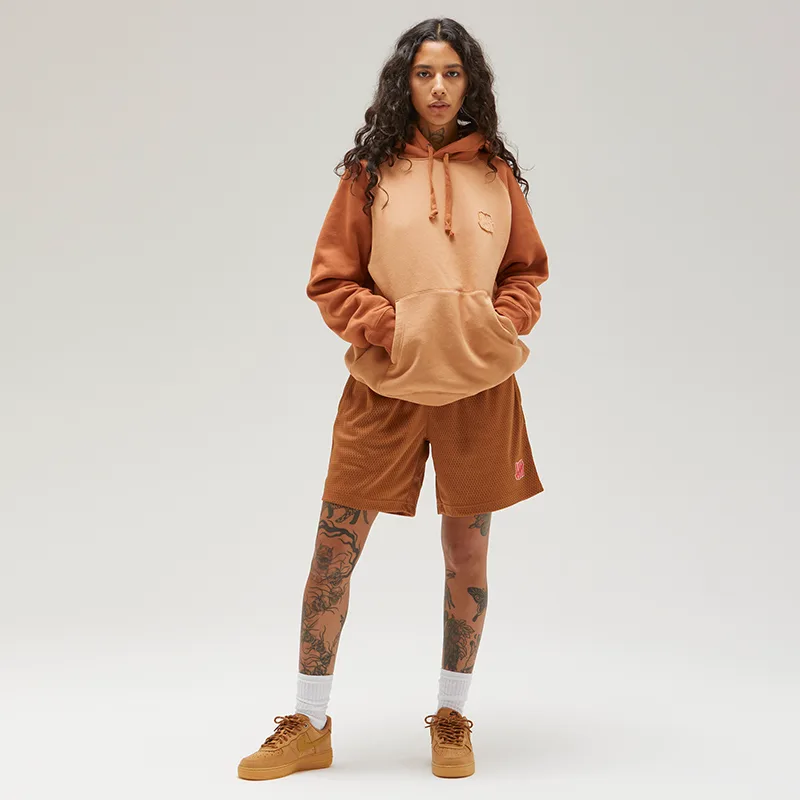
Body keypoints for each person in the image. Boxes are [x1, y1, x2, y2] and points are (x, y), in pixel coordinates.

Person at [237, 16, 548, 781]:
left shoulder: (495, 174)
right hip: (385, 388)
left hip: (479, 389)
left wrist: (500, 322)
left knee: (467, 555)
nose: (438, 87)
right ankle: (309, 723)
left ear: (470, 83)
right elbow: (331, 278)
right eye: (424, 72)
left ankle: (452, 717)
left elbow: (525, 271)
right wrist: (387, 327)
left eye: (451, 73)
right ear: (404, 82)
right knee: (333, 551)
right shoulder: (369, 173)